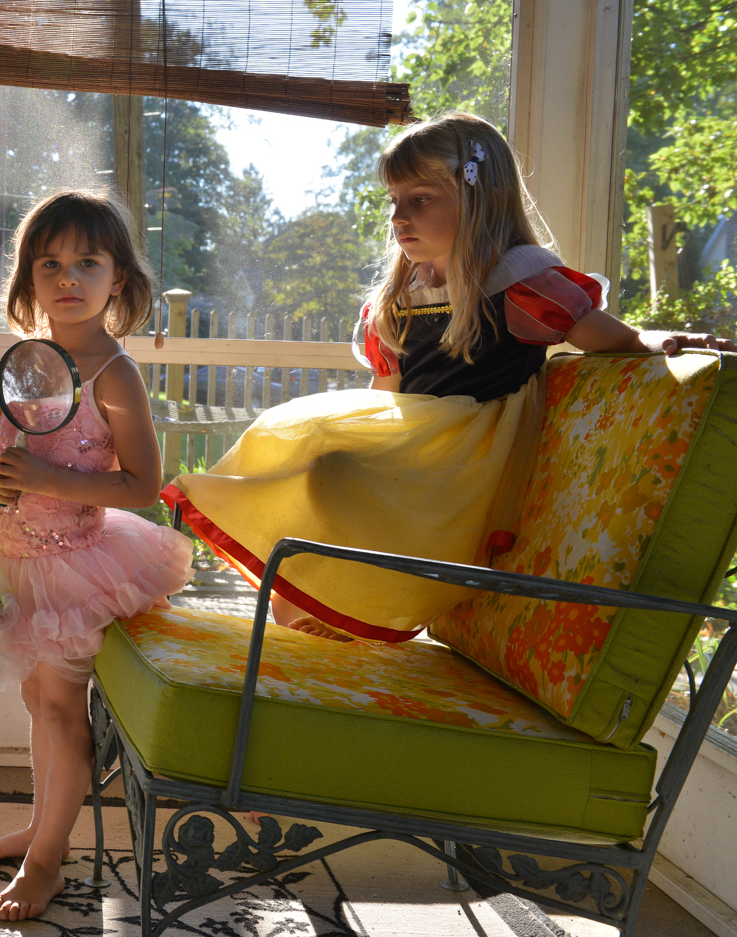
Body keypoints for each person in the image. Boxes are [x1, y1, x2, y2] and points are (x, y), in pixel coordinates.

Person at [166, 111, 736, 643]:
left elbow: (611, 337)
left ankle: (330, 615)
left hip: (469, 450)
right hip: (418, 439)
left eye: (420, 198)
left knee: (333, 457)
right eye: (393, 201)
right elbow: (383, 397)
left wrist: (666, 342)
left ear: (479, 197)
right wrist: (353, 434)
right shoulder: (400, 297)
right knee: (318, 452)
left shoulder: (516, 281)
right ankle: (307, 613)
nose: (398, 217)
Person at [0, 189, 194, 921]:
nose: (68, 278)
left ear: (117, 278)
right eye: (50, 263)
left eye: (87, 263)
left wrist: (47, 478)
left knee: (62, 709)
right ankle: (42, 822)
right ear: (30, 278)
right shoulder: (28, 365)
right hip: (16, 559)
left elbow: (144, 486)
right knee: (35, 697)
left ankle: (47, 862)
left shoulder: (114, 375)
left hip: (78, 567)